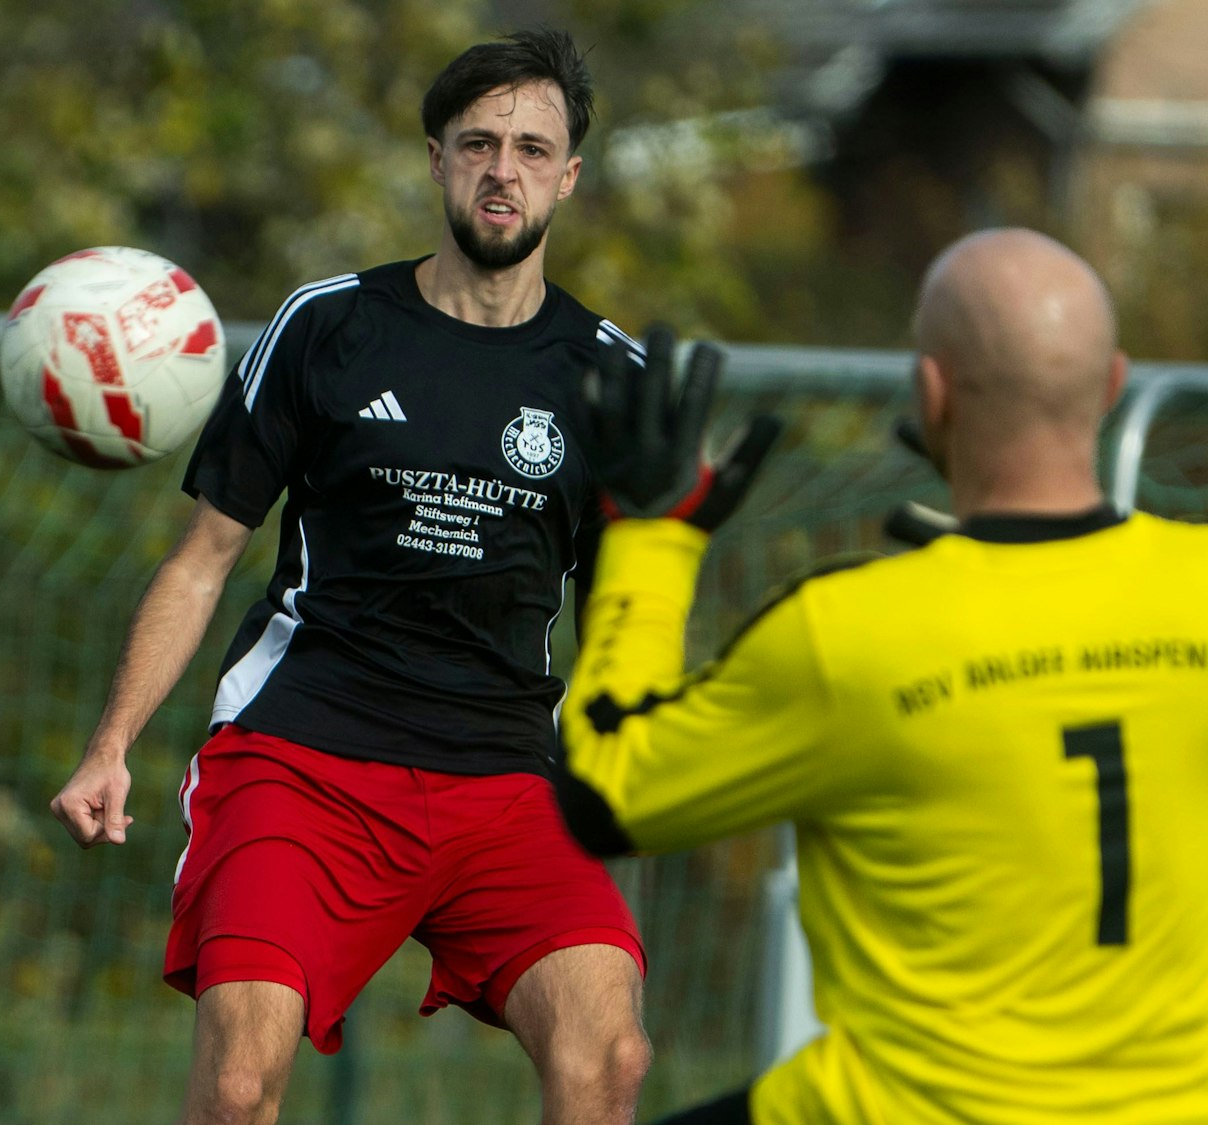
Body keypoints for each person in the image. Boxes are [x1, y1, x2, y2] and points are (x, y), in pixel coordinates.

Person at [47, 29, 714, 1125]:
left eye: (533, 149)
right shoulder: (327, 327)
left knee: (610, 1061)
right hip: (304, 762)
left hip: (504, 775)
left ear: (568, 176)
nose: (505, 169)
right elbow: (203, 559)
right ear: (438, 160)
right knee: (237, 1083)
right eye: (479, 143)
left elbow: (627, 621)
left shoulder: (611, 381)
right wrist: (110, 743)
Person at [554, 228, 1208, 1124]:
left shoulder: (851, 632)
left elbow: (607, 794)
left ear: (932, 391)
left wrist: (653, 540)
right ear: (1113, 385)